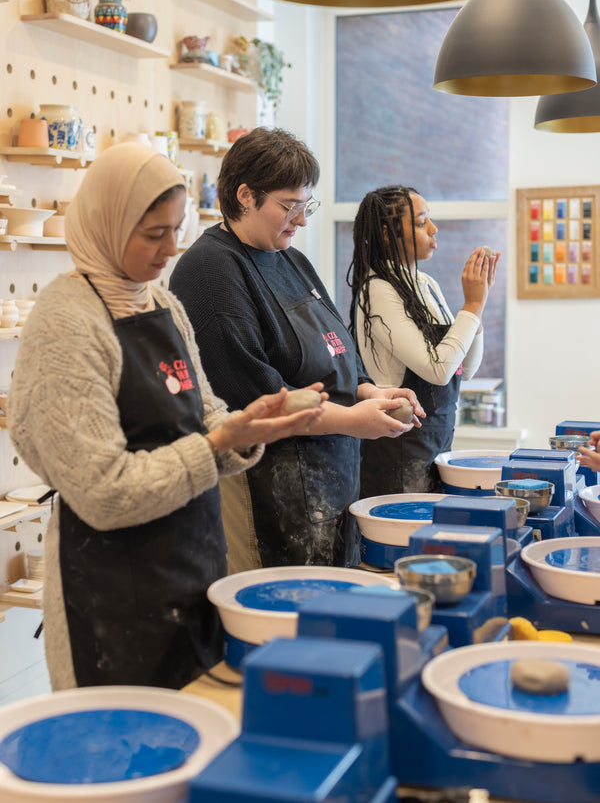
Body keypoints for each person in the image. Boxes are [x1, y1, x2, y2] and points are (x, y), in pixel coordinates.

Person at [7, 143, 326, 691]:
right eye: (155, 233)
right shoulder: (67, 323)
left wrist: (246, 426)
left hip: (190, 566)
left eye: (177, 230)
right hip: (110, 592)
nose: (172, 248)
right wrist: (215, 444)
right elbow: (103, 492)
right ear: (107, 224)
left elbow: (204, 415)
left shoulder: (162, 305)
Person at [169, 128, 423, 573]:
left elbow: (337, 346)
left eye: (307, 205)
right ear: (245, 195)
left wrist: (368, 391)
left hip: (331, 473)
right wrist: (352, 420)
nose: (302, 220)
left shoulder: (290, 258)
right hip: (265, 483)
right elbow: (256, 398)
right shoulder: (210, 271)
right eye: (290, 206)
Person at [348, 185, 500, 497]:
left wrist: (478, 308)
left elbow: (465, 370)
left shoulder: (426, 284)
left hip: (436, 446)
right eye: (420, 222)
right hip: (398, 452)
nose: (434, 228)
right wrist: (471, 305)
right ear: (387, 234)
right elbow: (438, 371)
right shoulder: (378, 289)